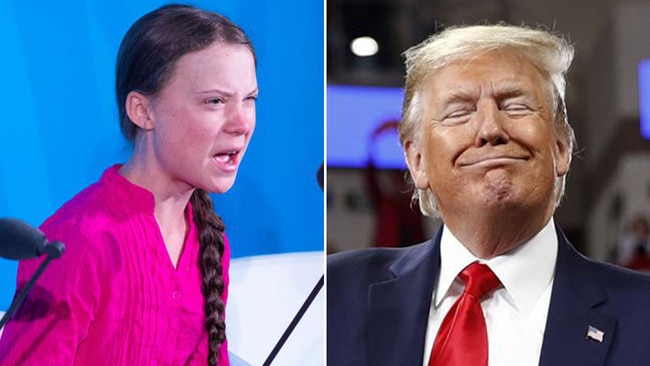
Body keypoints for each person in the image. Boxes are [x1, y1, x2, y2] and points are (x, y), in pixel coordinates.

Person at [327, 24, 650, 366]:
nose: (490, 129)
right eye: (459, 112)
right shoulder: (333, 295)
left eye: (515, 106)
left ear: (561, 147)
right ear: (417, 161)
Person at [0, 4, 257, 365]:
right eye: (215, 101)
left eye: (250, 100)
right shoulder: (78, 240)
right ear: (142, 110)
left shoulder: (211, 242)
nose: (242, 122)